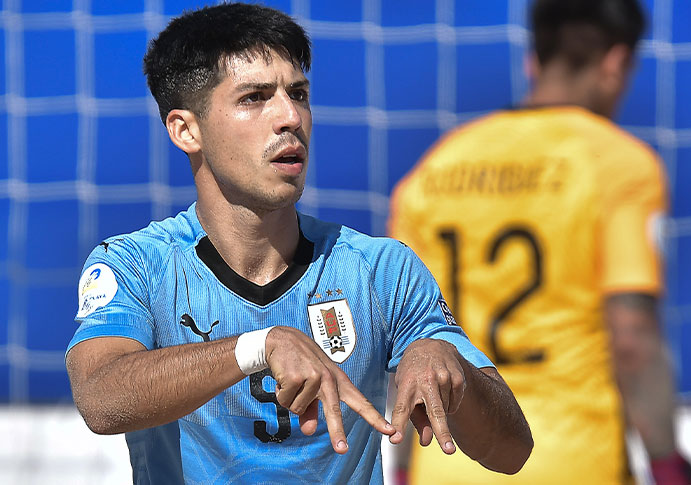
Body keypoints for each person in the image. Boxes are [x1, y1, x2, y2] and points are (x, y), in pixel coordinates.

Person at [64, 3, 533, 484]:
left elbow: (512, 451)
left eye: (299, 94)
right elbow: (100, 398)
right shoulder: (136, 264)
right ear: (187, 130)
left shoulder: (380, 269)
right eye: (254, 97)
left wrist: (450, 363)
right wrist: (258, 347)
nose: (290, 116)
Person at [388, 0, 691, 483]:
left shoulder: (432, 171)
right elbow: (632, 339)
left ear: (534, 60)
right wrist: (667, 466)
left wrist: (404, 473)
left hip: (449, 462)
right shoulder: (619, 164)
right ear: (615, 63)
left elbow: (402, 348)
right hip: (573, 460)